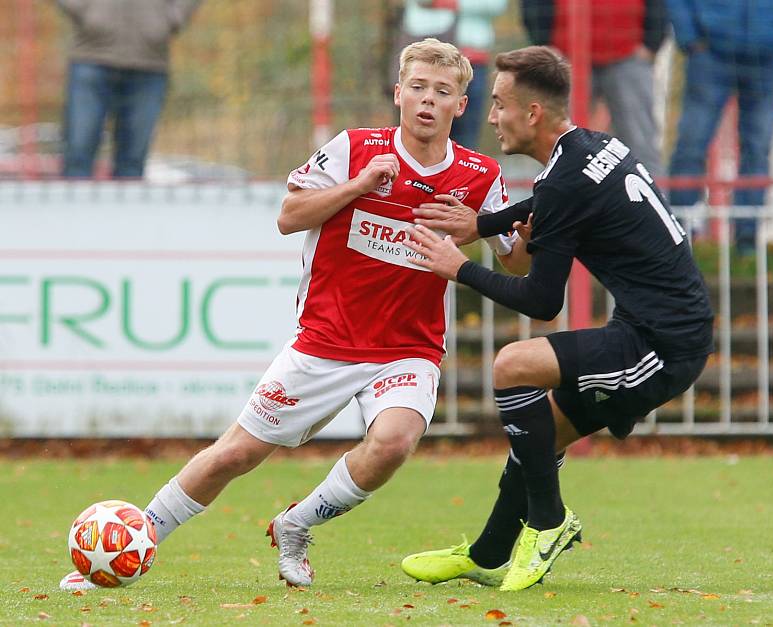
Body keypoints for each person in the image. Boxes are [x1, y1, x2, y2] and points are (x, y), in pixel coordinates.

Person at [59, 38, 524, 592]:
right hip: (325, 341)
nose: (427, 100)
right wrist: (357, 186)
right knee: (235, 454)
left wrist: (492, 226)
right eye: (418, 88)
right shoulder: (355, 148)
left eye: (442, 91)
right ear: (398, 94)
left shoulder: (480, 176)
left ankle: (296, 523)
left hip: (408, 348)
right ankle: (135, 541)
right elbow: (288, 216)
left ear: (460, 105)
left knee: (394, 442)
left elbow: (518, 264)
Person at [400, 45, 713, 591]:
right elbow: (547, 201)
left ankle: (548, 523)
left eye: (499, 105)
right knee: (542, 434)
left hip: (664, 345)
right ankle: (489, 552)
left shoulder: (564, 181)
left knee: (512, 366)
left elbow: (544, 302)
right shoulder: (593, 146)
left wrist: (459, 268)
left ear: (532, 114)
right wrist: (484, 224)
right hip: (652, 329)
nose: (492, 117)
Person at [665, 0, 773, 254]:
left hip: (769, 56)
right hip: (710, 53)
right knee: (692, 144)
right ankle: (679, 236)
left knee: (757, 149)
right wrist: (690, 38)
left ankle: (746, 242)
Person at [55, 0, 203, 179]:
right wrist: (88, 11)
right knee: (78, 155)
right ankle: (74, 208)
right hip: (91, 56)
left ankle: (126, 208)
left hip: (150, 63)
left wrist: (172, 18)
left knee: (132, 163)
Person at [519, 0, 667, 177]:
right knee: (553, 142)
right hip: (565, 54)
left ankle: (652, 202)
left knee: (640, 141)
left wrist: (652, 43)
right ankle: (547, 202)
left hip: (627, 55)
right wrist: (542, 42)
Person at [395, 0, 508, 149]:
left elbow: (495, 5)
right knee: (415, 141)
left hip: (472, 59)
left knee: (464, 143)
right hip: (423, 58)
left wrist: (448, 3)